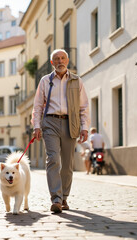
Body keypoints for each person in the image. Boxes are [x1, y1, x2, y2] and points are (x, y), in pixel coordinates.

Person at [32, 49, 90, 213]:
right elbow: (37, 106)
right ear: (52, 63)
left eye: (63, 58)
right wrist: (37, 125)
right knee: (53, 160)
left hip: (70, 123)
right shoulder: (45, 81)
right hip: (49, 122)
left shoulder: (76, 81)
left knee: (67, 163)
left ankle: (64, 196)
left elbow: (83, 107)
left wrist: (84, 128)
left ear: (67, 60)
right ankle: (56, 199)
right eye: (56, 59)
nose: (60, 61)